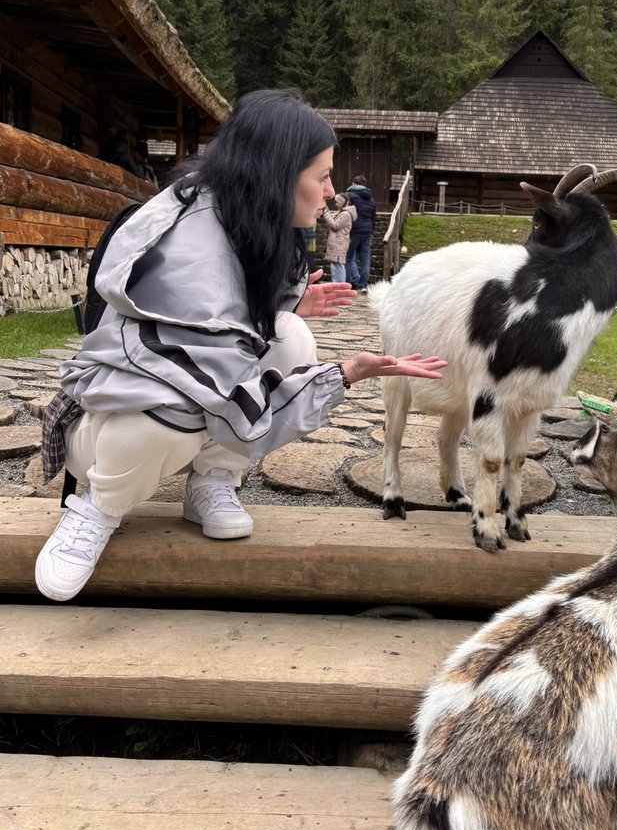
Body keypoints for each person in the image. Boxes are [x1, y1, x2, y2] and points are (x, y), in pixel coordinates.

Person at [35, 89, 446, 602]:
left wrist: (289, 306)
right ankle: (99, 507)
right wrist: (341, 375)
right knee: (174, 415)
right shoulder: (189, 242)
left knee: (291, 337)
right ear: (278, 174)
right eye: (321, 176)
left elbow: (234, 330)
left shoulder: (245, 218)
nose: (330, 192)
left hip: (181, 397)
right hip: (108, 423)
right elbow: (219, 380)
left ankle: (213, 480)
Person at [345, 174, 377, 292]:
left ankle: (352, 280)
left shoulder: (350, 196)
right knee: (365, 259)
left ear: (354, 183)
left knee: (348, 257)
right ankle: (363, 285)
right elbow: (373, 217)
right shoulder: (371, 199)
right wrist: (371, 229)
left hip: (354, 230)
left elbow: (346, 211)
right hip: (367, 231)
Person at [322, 193, 356, 283]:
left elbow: (335, 225)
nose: (336, 204)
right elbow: (331, 218)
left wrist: (325, 211)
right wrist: (324, 206)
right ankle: (337, 286)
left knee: (338, 266)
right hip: (337, 243)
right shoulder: (341, 212)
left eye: (337, 202)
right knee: (335, 266)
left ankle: (340, 287)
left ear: (343, 203)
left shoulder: (346, 214)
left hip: (339, 244)